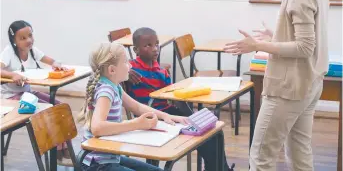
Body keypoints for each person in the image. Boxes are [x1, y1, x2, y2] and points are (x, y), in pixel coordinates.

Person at [224, 0, 329, 171]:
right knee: (299, 155)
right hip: (310, 84)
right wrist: (276, 37)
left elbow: (305, 47)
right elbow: (307, 39)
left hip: (289, 88)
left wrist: (258, 45)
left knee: (261, 157)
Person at [126, 27, 235, 171]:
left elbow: (172, 95)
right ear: (136, 50)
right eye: (148, 45)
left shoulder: (161, 71)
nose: (155, 49)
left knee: (213, 129)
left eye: (156, 44)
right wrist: (126, 69)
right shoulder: (131, 68)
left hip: (168, 113)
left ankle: (218, 168)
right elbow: (104, 66)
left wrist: (193, 116)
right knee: (206, 132)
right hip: (151, 118)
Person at [78, 41, 188, 171]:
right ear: (112, 70)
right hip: (97, 164)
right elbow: (97, 128)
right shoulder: (105, 91)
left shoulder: (115, 87)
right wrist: (136, 124)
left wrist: (165, 116)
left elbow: (137, 107)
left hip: (109, 158)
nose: (130, 65)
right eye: (125, 62)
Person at [0, 20, 70, 160]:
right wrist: (12, 74)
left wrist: (56, 64)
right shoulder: (9, 52)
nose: (29, 40)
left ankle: (63, 148)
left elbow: (48, 60)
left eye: (30, 36)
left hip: (27, 94)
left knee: (59, 107)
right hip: (10, 97)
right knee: (46, 111)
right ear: (14, 41)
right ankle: (54, 150)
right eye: (23, 38)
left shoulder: (32, 51)